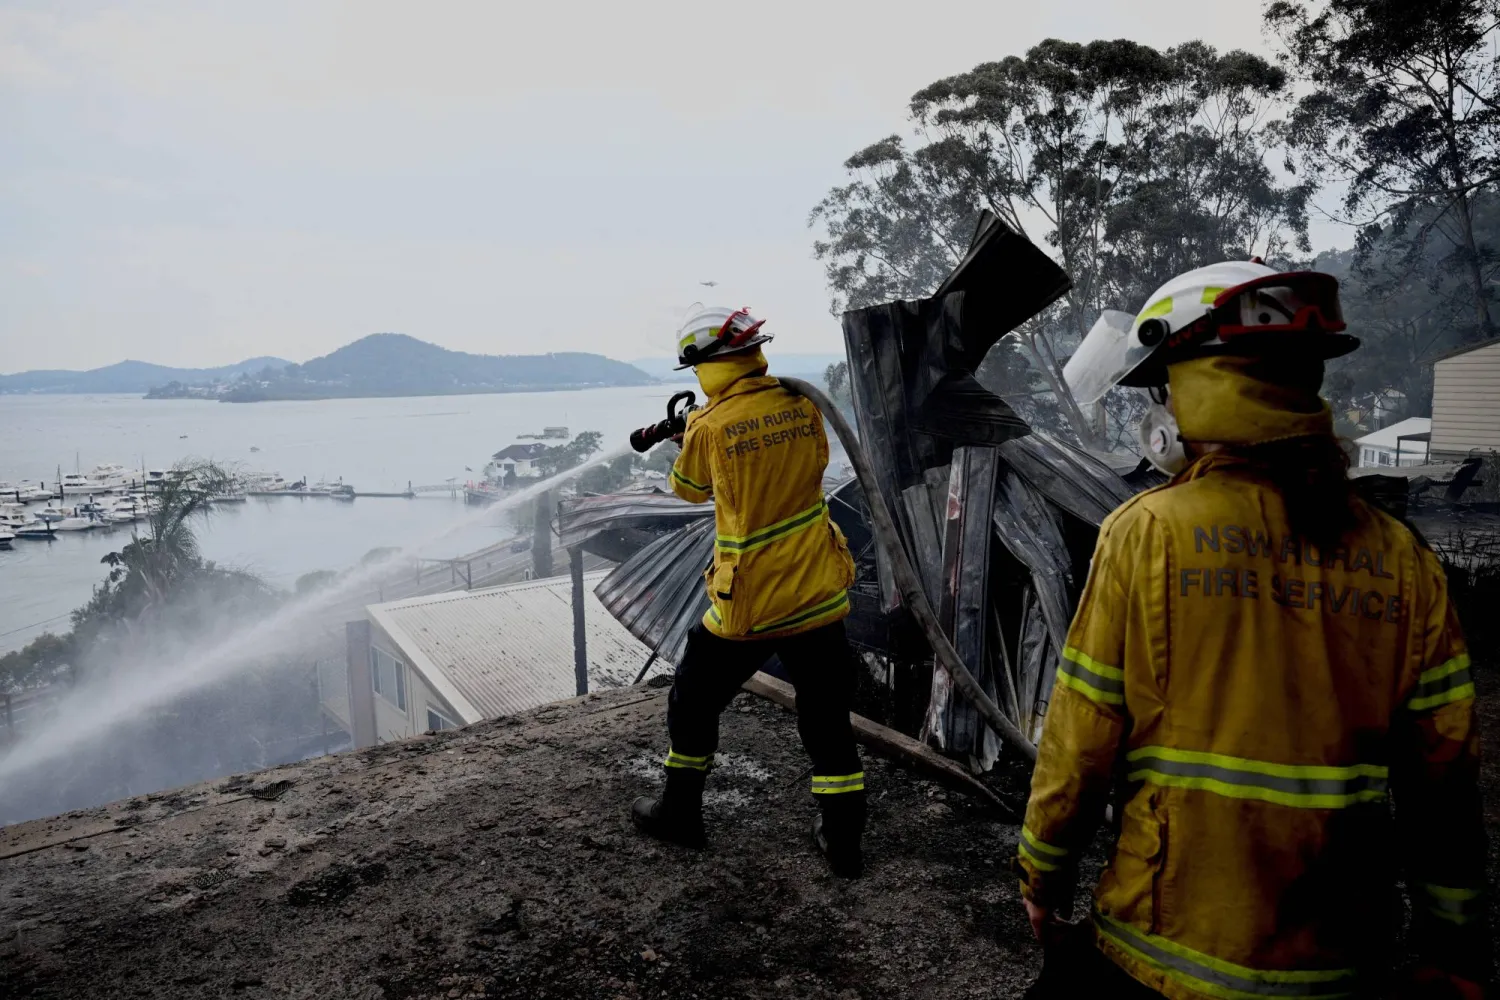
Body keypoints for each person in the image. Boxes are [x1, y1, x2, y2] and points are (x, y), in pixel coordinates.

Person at [1017, 262, 1488, 998]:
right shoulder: (1401, 558)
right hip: (1340, 958)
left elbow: (1081, 741)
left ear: (1204, 383)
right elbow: (1445, 788)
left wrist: (1043, 873)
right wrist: (1455, 949)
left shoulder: (1145, 535)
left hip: (1162, 947)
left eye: (1167, 381)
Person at [630, 306, 865, 877]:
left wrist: (688, 438)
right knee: (828, 716)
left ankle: (680, 813)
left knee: (692, 698)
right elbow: (808, 464)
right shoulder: (801, 402)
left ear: (704, 364)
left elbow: (689, 491)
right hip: (817, 588)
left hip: (752, 602)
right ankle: (844, 842)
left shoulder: (710, 425)